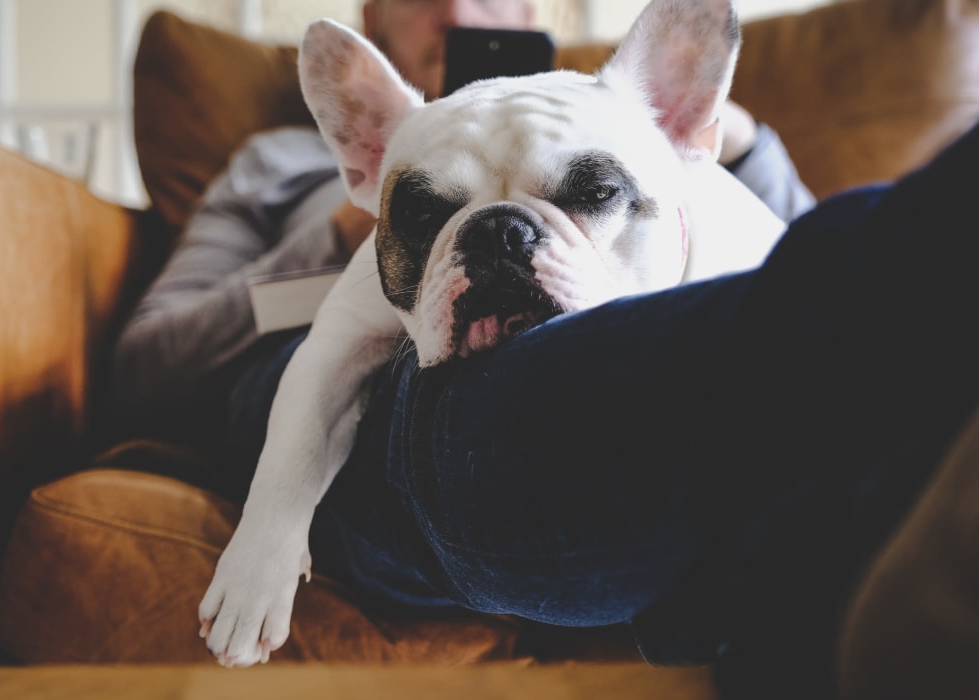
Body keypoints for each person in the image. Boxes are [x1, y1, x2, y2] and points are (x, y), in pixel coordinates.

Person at [109, 1, 979, 697]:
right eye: (426, 210)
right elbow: (149, 365)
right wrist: (340, 238)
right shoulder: (277, 159)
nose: (454, 7)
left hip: (663, 354)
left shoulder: (624, 123)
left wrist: (724, 136)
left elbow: (788, 266)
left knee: (816, 327)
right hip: (388, 403)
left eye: (590, 191)